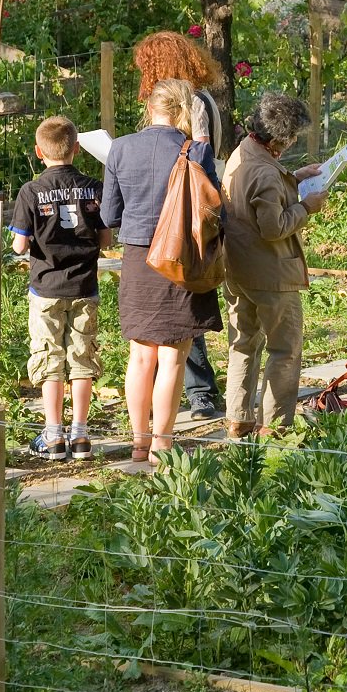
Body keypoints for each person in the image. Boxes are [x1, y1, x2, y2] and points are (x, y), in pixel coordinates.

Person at [101, 78, 222, 462]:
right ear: (184, 109)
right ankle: (162, 444)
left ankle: (138, 442)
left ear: (149, 108)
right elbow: (214, 208)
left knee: (140, 357)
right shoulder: (195, 150)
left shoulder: (118, 149)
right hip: (180, 259)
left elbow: (109, 215)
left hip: (138, 259)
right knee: (172, 358)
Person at [131, 30, 231, 421]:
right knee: (177, 311)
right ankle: (187, 391)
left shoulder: (195, 104)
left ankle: (200, 391)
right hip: (169, 210)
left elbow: (198, 158)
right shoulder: (186, 101)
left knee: (182, 310)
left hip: (185, 214)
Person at [222, 93, 327, 440]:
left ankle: (238, 419)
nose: (294, 141)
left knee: (242, 344)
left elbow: (256, 197)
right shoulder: (266, 172)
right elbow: (273, 227)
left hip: (237, 268)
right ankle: (276, 428)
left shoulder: (243, 152)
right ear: (280, 139)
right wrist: (307, 207)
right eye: (293, 136)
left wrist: (295, 177)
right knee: (284, 349)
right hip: (271, 273)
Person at [11, 116, 110, 461]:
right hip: (85, 286)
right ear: (77, 150)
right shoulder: (94, 187)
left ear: (39, 152)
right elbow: (107, 238)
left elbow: (20, 246)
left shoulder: (31, 191)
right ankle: (81, 436)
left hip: (45, 288)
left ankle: (54, 437)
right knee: (82, 358)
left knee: (48, 358)